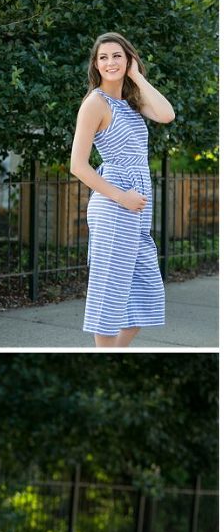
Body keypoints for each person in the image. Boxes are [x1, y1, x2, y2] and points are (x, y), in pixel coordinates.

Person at [70, 32, 174, 348]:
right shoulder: (95, 104)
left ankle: (113, 353)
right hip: (116, 203)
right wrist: (121, 196)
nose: (110, 62)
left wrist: (137, 78)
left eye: (117, 55)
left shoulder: (130, 102)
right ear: (96, 65)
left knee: (147, 293)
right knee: (110, 292)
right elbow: (78, 165)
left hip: (138, 206)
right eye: (103, 57)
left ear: (128, 59)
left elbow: (167, 114)